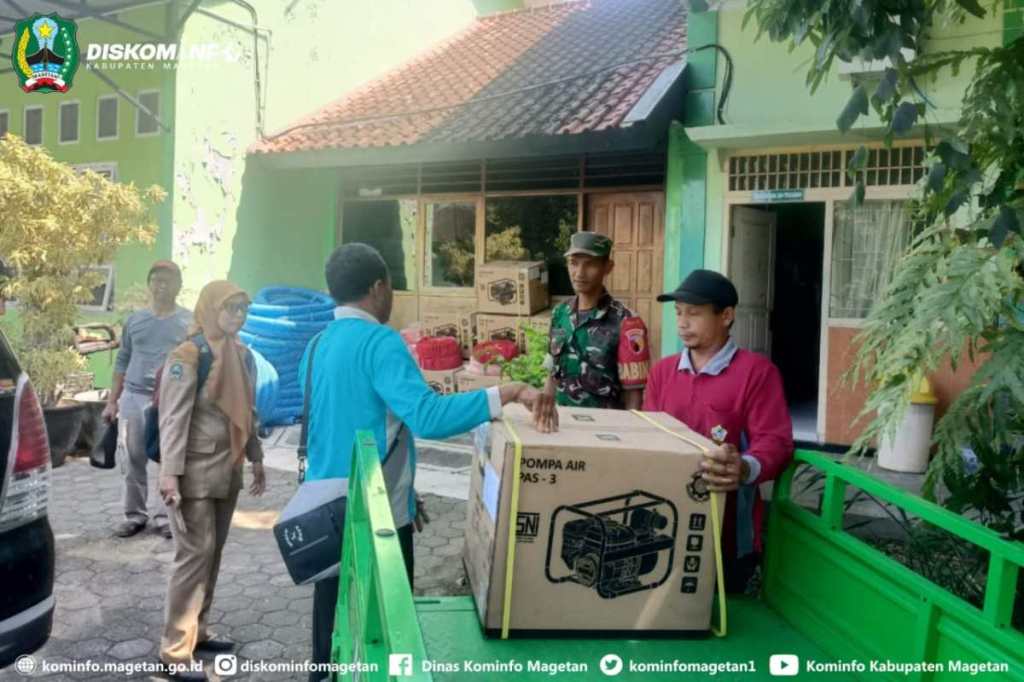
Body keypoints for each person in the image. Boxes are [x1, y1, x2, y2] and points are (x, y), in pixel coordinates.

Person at [300, 243, 545, 682]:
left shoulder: (316, 345)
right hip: (376, 515)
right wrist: (503, 393)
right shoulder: (380, 342)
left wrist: (406, 486)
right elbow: (427, 416)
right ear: (378, 287)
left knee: (331, 620)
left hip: (324, 511)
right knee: (387, 631)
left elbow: (337, 423)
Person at [643, 269, 794, 593]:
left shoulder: (757, 373)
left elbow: (776, 441)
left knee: (722, 608)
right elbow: (649, 435)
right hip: (664, 521)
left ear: (726, 316)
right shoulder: (662, 373)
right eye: (678, 313)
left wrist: (744, 467)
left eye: (694, 313)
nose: (682, 323)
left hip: (727, 530)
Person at [156, 281, 266, 681]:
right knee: (193, 555)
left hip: (228, 470)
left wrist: (256, 457)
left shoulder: (242, 354)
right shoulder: (188, 354)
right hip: (194, 472)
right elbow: (173, 417)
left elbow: (247, 411)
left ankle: (198, 631)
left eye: (243, 309)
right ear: (210, 309)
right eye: (230, 308)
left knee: (213, 552)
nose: (238, 316)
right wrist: (169, 473)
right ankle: (174, 651)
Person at [104, 260, 192, 539]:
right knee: (133, 459)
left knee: (169, 459)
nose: (161, 286)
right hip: (134, 396)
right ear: (149, 285)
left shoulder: (189, 323)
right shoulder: (135, 321)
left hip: (171, 400)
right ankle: (135, 515)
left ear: (178, 286)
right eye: (156, 280)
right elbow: (122, 360)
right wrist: (112, 401)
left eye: (167, 280)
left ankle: (165, 517)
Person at [533, 232, 651, 432]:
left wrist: (629, 437)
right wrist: (544, 416)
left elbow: (634, 395)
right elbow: (552, 375)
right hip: (562, 426)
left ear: (608, 267)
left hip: (605, 431)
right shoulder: (560, 313)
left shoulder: (627, 322)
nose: (579, 273)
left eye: (590, 264)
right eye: (574, 263)